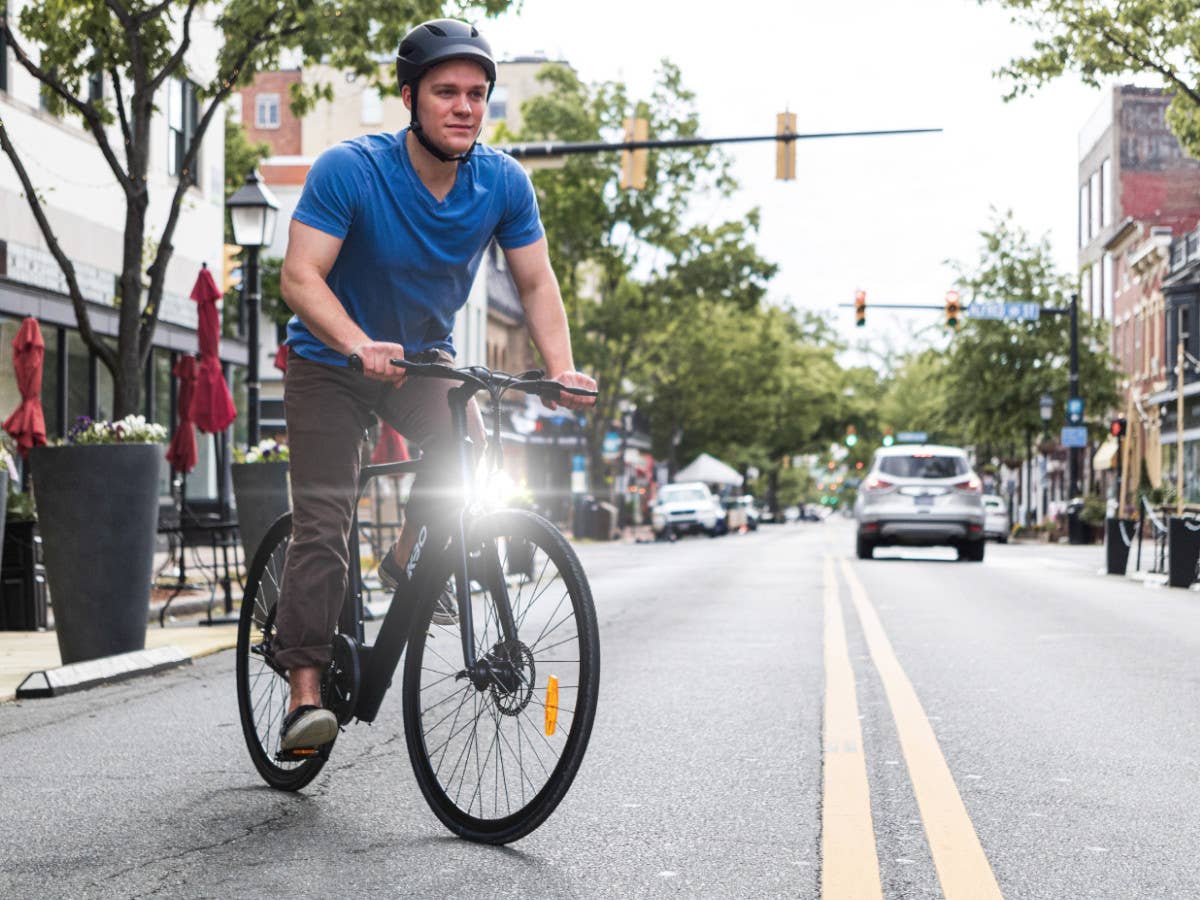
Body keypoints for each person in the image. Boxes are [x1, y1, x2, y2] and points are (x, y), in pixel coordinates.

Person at [273, 18, 596, 754]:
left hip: (421, 360)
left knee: (468, 448)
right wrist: (356, 343)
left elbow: (537, 280)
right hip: (329, 362)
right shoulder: (351, 169)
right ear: (410, 96)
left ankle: (407, 556)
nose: (464, 107)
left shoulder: (502, 183)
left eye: (477, 94)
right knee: (325, 519)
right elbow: (300, 277)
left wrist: (560, 368)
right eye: (446, 91)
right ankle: (303, 691)